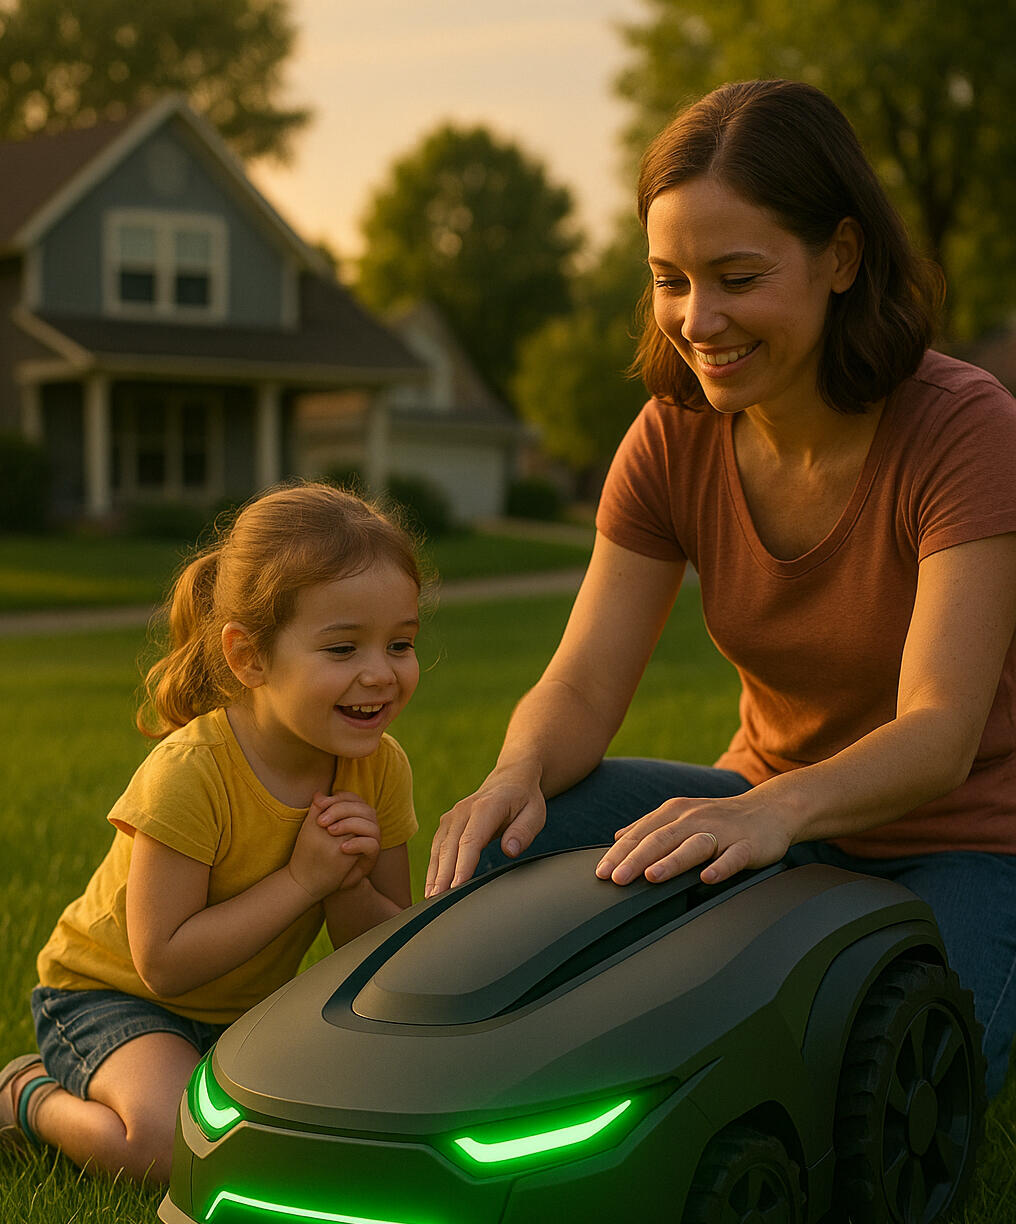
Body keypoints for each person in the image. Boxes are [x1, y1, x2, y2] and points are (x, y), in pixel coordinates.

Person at [426, 79, 1016, 1097]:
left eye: (737, 277)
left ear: (839, 257)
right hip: (764, 810)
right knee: (500, 851)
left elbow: (938, 731)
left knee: (867, 1086)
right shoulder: (673, 432)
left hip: (963, 844)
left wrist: (775, 813)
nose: (699, 320)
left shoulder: (961, 428)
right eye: (669, 279)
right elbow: (579, 688)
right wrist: (515, 772)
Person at [0, 483, 423, 1180]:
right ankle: (23, 1097)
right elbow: (162, 960)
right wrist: (302, 881)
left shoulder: (377, 768)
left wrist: (345, 887)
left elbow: (384, 953)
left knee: (335, 1129)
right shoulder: (192, 773)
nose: (381, 673)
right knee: (169, 1147)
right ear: (250, 658)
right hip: (114, 999)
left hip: (246, 1014)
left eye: (400, 642)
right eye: (343, 648)